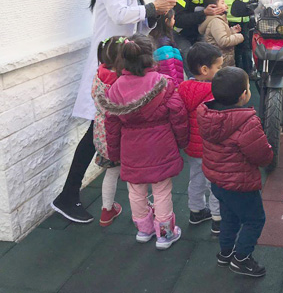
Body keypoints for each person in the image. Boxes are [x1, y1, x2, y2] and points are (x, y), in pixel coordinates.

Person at [51, 0, 176, 224]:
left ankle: (83, 198)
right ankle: (68, 196)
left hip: (120, 64)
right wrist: (149, 7)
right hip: (108, 65)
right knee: (99, 129)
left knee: (103, 129)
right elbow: (121, 15)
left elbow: (138, 24)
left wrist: (156, 11)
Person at [100, 34, 189, 250]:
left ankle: (144, 229)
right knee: (161, 191)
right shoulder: (163, 83)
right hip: (161, 147)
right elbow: (178, 114)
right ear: (150, 57)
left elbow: (111, 126)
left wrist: (114, 153)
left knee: (136, 190)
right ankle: (165, 234)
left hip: (131, 149)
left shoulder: (115, 89)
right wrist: (182, 141)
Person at [197, 67, 273, 277]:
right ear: (243, 95)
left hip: (218, 181)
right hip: (240, 184)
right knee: (254, 219)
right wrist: (269, 154)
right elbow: (261, 156)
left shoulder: (207, 114)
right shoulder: (246, 122)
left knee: (229, 216)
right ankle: (241, 259)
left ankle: (225, 252)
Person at [178, 43, 224, 234]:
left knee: (196, 177)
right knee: (217, 182)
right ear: (205, 70)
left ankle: (196, 210)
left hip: (193, 147)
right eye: (219, 67)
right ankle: (218, 218)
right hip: (213, 147)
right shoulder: (217, 91)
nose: (221, 71)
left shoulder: (183, 88)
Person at [172, 0, 229, 78]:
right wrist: (203, 13)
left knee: (208, 63)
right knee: (192, 67)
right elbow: (177, 19)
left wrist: (221, 10)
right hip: (180, 32)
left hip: (200, 32)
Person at [91, 36, 124, 227]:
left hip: (102, 132)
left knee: (111, 172)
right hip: (121, 133)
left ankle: (106, 210)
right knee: (137, 176)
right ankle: (147, 208)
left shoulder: (98, 74)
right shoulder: (122, 80)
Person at [198, 0, 244, 67]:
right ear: (213, 7)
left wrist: (231, 31)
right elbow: (223, 41)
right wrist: (239, 36)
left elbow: (219, 35)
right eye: (222, 3)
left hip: (223, 62)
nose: (226, 6)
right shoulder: (216, 21)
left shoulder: (218, 20)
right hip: (221, 64)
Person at [150, 9, 184, 87]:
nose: (174, 21)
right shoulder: (164, 42)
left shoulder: (156, 38)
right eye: (173, 18)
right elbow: (168, 68)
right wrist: (175, 87)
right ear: (166, 21)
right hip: (172, 86)